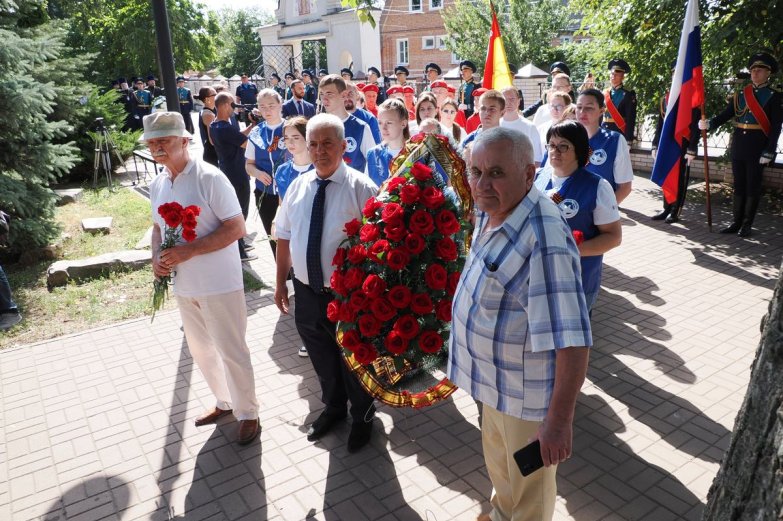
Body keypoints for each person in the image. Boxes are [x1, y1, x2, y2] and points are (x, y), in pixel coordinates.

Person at [449, 126, 592, 521]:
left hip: (527, 401)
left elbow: (573, 340)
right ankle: (499, 515)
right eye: (476, 172)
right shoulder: (493, 206)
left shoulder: (544, 235)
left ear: (529, 174)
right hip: (494, 384)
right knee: (502, 470)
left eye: (496, 172)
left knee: (531, 491)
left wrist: (559, 422)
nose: (481, 183)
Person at [145, 111, 260, 446]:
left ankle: (249, 412)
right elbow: (157, 228)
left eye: (163, 140)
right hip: (185, 285)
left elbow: (236, 227)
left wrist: (188, 251)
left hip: (219, 283)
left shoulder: (210, 177)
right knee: (202, 351)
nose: (157, 147)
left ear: (184, 140)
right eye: (152, 142)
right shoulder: (158, 182)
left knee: (231, 350)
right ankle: (226, 402)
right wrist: (156, 258)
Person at [274, 113, 379, 453]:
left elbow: (379, 247)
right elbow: (285, 237)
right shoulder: (298, 186)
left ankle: (363, 416)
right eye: (314, 144)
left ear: (344, 145)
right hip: (307, 292)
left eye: (327, 143)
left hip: (349, 297)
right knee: (321, 357)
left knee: (353, 360)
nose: (319, 151)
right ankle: (334, 408)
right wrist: (280, 284)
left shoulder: (362, 189)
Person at [535, 121, 622, 309]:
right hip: (536, 280)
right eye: (551, 145)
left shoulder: (598, 186)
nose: (555, 151)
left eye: (563, 146)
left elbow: (613, 237)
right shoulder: (535, 178)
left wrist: (570, 249)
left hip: (577, 282)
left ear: (579, 149)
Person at [699, 52, 782, 237]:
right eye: (753, 70)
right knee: (739, 184)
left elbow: (776, 127)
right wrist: (710, 123)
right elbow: (726, 115)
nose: (755, 73)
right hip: (739, 144)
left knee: (753, 185)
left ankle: (746, 225)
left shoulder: (774, 96)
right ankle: (736, 222)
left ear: (768, 73)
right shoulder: (741, 94)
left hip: (757, 146)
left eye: (760, 70)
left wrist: (769, 150)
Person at [210, 92, 259, 262]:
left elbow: (238, 137)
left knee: (236, 210)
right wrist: (260, 129)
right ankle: (238, 251)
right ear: (224, 105)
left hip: (230, 171)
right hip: (236, 174)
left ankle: (240, 244)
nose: (234, 108)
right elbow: (246, 143)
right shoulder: (224, 128)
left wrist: (252, 126)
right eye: (232, 105)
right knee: (240, 212)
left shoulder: (216, 126)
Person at [651, 64, 700, 223]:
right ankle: (666, 208)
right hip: (667, 143)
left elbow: (695, 126)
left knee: (679, 178)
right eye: (674, 75)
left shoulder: (691, 99)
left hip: (683, 144)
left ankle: (675, 211)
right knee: (667, 175)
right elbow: (660, 125)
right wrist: (655, 144)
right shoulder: (666, 98)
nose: (676, 78)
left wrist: (692, 147)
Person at [245, 89, 287, 259]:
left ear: (280, 105)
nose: (267, 111)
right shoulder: (256, 132)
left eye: (271, 106)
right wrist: (258, 174)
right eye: (262, 107)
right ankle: (284, 279)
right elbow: (248, 165)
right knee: (274, 237)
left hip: (289, 193)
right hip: (265, 193)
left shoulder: (292, 128)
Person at [576, 89, 634, 204]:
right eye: (579, 107)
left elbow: (625, 187)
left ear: (602, 111)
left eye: (589, 107)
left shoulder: (614, 140)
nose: (582, 111)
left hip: (598, 215)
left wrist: (605, 212)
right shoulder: (566, 138)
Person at [318, 74, 377, 172]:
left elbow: (374, 163)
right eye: (321, 94)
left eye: (329, 94)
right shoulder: (317, 127)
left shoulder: (361, 128)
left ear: (343, 95)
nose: (324, 99)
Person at [366, 98, 410, 185]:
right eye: (380, 123)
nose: (383, 128)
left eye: (389, 123)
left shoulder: (416, 152)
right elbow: (368, 189)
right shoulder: (373, 154)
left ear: (403, 124)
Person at [500, 86, 543, 165]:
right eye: (505, 99)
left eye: (512, 99)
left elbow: (537, 159)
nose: (508, 103)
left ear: (519, 101)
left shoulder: (530, 127)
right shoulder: (495, 125)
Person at [601, 59, 637, 142]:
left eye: (617, 74)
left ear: (623, 77)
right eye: (612, 73)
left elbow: (630, 117)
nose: (613, 76)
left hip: (619, 131)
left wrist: (628, 139)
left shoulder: (628, 93)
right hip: (604, 130)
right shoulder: (605, 92)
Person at [536, 92, 573, 157]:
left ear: (567, 108)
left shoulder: (573, 128)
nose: (555, 110)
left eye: (559, 106)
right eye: (552, 106)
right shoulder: (541, 129)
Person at [196, 86, 219, 167]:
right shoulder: (208, 114)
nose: (217, 96)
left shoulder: (211, 111)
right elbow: (212, 140)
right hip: (213, 155)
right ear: (207, 99)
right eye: (214, 94)